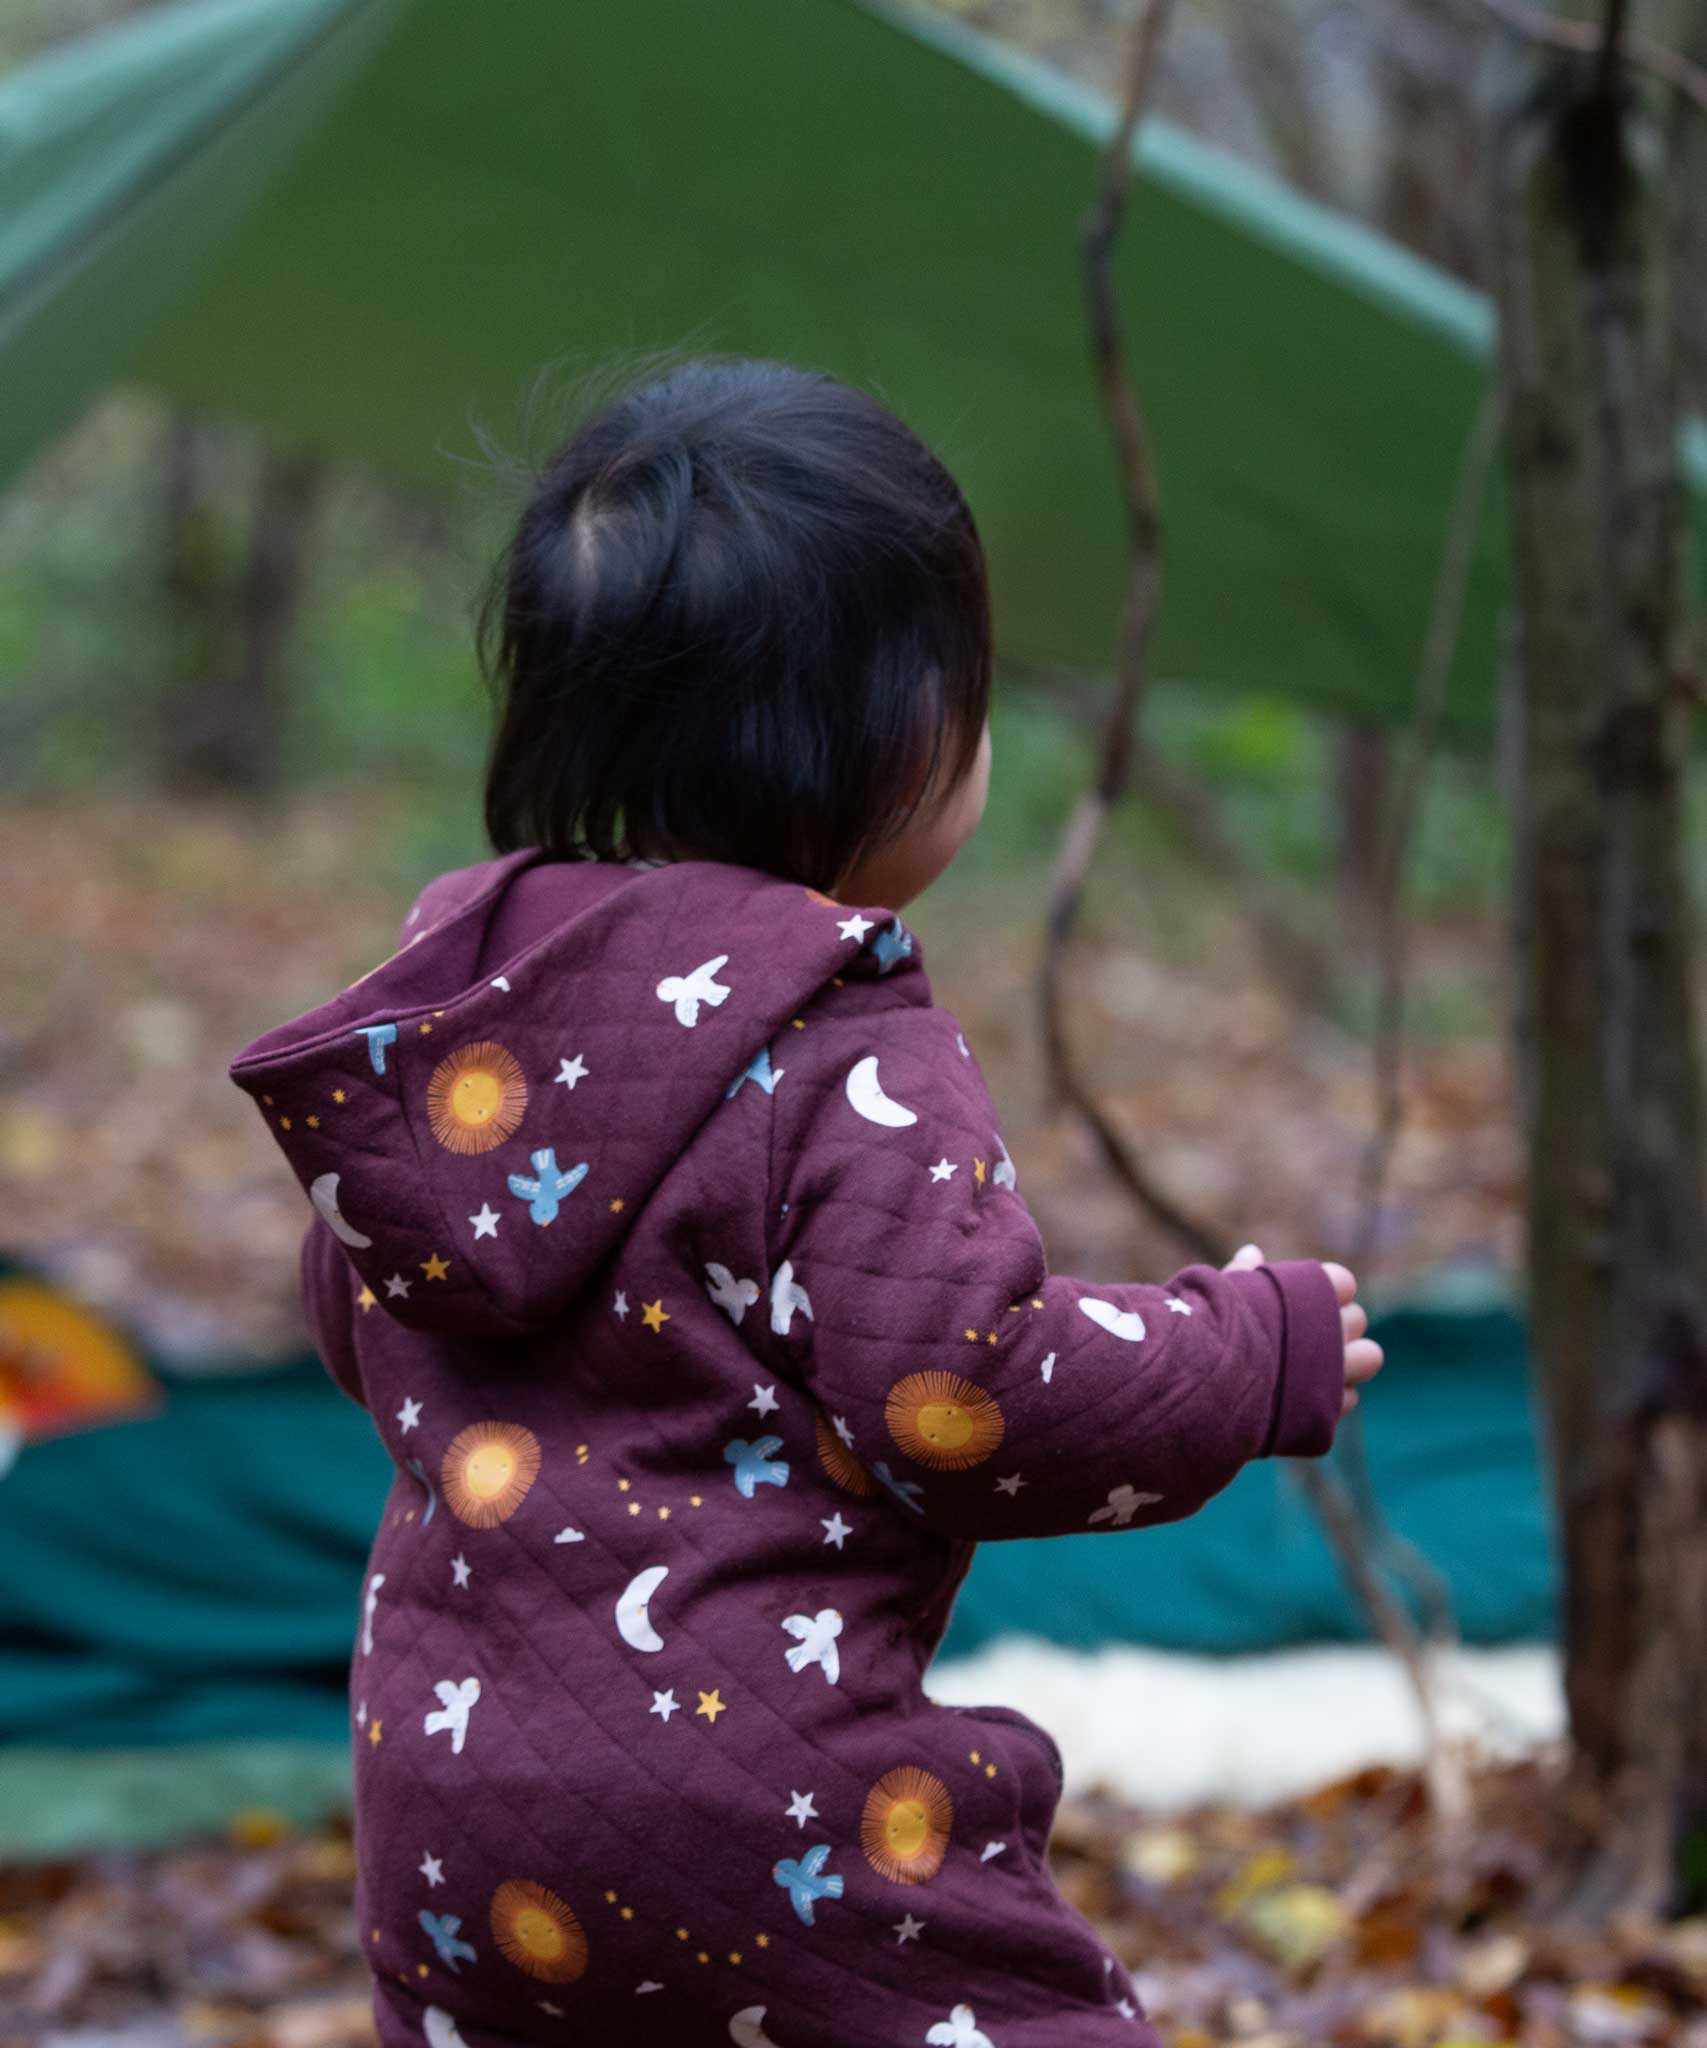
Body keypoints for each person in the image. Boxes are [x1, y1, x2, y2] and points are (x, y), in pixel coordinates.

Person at [231, 354, 1381, 2048]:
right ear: (892, 727)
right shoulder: (839, 1035)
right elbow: (964, 1396)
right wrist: (1243, 1349)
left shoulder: (454, 1017)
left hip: (447, 1808)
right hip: (766, 1821)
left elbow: (353, 1303)